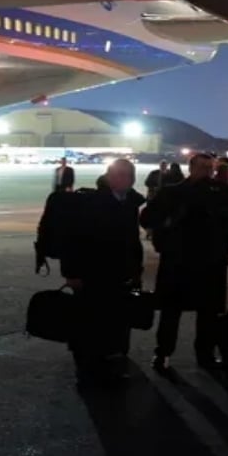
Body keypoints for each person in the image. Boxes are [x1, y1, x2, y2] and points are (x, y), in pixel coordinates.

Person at [141, 153, 228, 371]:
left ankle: (205, 354)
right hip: (178, 260)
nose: (208, 171)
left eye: (210, 167)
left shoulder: (221, 192)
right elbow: (148, 218)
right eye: (203, 167)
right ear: (191, 168)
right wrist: (171, 224)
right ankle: (163, 353)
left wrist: (226, 224)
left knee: (209, 313)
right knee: (171, 312)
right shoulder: (173, 192)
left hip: (210, 261)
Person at [60, 159, 145, 384]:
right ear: (108, 176)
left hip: (119, 274)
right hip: (92, 274)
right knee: (91, 323)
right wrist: (71, 273)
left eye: (126, 175)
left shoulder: (129, 203)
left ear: (133, 179)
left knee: (115, 321)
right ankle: (90, 371)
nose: (121, 179)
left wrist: (136, 270)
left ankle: (111, 366)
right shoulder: (91, 202)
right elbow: (73, 239)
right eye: (117, 174)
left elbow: (132, 241)